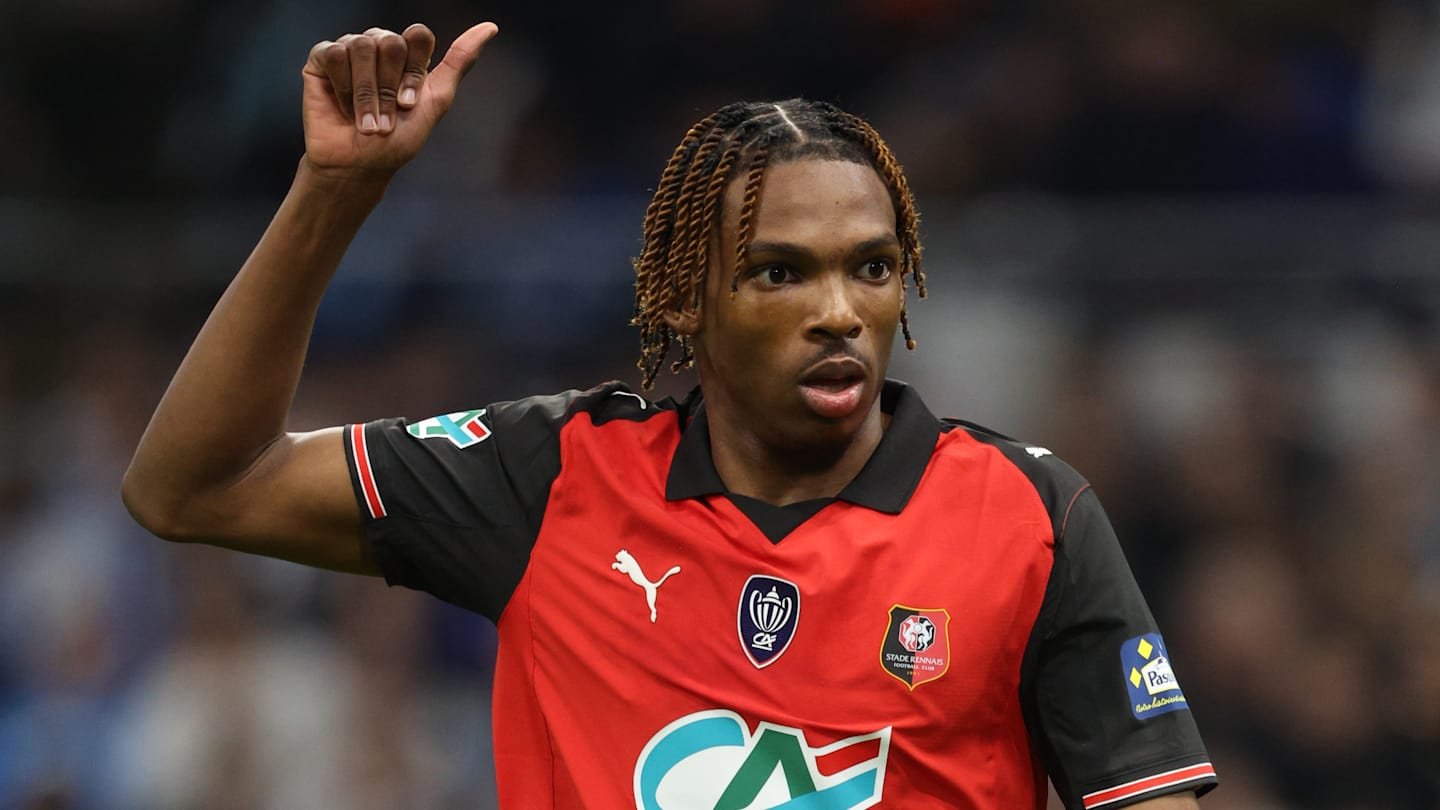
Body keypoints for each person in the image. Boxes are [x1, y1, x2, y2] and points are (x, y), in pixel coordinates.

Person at [122, 20, 1218, 809]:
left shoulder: (1030, 515)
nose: (840, 312)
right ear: (686, 301)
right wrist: (334, 193)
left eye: (872, 267)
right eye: (781, 272)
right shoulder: (552, 475)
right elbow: (192, 488)